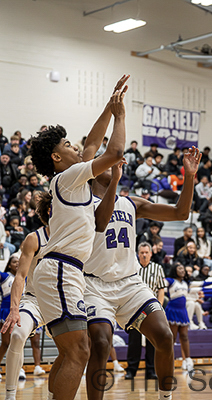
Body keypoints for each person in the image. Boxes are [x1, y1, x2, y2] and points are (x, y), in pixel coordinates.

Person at [26, 75, 129, 400]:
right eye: (68, 146)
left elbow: (100, 223)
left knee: (71, 351)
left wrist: (109, 108)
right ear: (57, 158)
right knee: (79, 352)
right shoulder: (68, 178)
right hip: (61, 270)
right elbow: (113, 151)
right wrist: (121, 117)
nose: (77, 148)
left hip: (63, 271)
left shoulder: (74, 182)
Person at [84, 146, 201, 399]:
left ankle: (165, 397)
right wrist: (114, 180)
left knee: (164, 336)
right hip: (95, 286)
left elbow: (181, 213)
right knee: (101, 344)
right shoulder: (81, 202)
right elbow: (100, 220)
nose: (113, 164)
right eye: (105, 162)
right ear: (93, 170)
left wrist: (189, 177)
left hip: (129, 284)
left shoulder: (130, 203)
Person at [2, 193, 51, 399]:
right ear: (51, 211)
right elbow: (20, 276)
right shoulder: (34, 238)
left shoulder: (75, 236)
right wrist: (14, 309)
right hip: (34, 299)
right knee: (17, 335)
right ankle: (10, 395)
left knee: (78, 346)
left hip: (63, 299)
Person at [123, 242, 166, 381]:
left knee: (152, 341)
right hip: (135, 308)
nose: (144, 255)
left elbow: (161, 289)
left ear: (151, 254)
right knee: (134, 341)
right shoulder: (132, 268)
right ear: (138, 253)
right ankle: (131, 370)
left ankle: (151, 370)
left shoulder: (158, 268)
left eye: (146, 252)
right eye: (142, 252)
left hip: (151, 309)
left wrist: (158, 307)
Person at [165, 264, 193, 372]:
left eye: (183, 268)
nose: (182, 270)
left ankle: (187, 360)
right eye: (179, 268)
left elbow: (202, 284)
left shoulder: (186, 283)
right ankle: (168, 360)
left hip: (183, 311)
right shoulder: (171, 281)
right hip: (173, 310)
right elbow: (160, 283)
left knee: (185, 336)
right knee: (173, 338)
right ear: (174, 270)